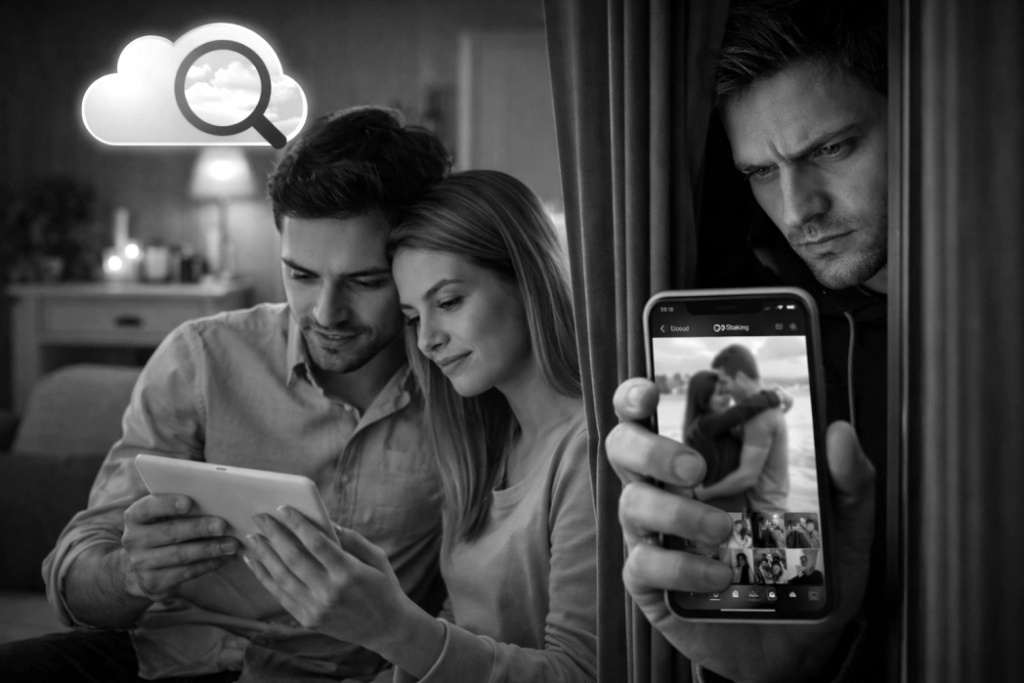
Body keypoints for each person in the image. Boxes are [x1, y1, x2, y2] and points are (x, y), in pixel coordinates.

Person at [0, 107, 451, 682]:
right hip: (169, 661)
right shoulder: (202, 357)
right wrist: (131, 575)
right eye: (301, 275)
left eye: (366, 281)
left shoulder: (459, 387)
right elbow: (74, 580)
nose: (325, 313)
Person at [606, 0, 885, 679]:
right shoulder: (774, 342)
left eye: (830, 149)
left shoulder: (983, 328)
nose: (797, 209)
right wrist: (776, 670)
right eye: (761, 171)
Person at [239, 170, 597, 682]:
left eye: (448, 302)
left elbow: (583, 672)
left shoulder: (588, 453)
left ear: (528, 280)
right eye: (412, 317)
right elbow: (463, 628)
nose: (427, 340)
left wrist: (392, 626)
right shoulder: (486, 443)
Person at [694, 345, 790, 514]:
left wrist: (703, 494)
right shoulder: (765, 408)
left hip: (766, 515)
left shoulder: (758, 416)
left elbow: (746, 478)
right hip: (776, 509)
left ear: (740, 378)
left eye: (725, 382)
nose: (726, 390)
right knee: (805, 530)